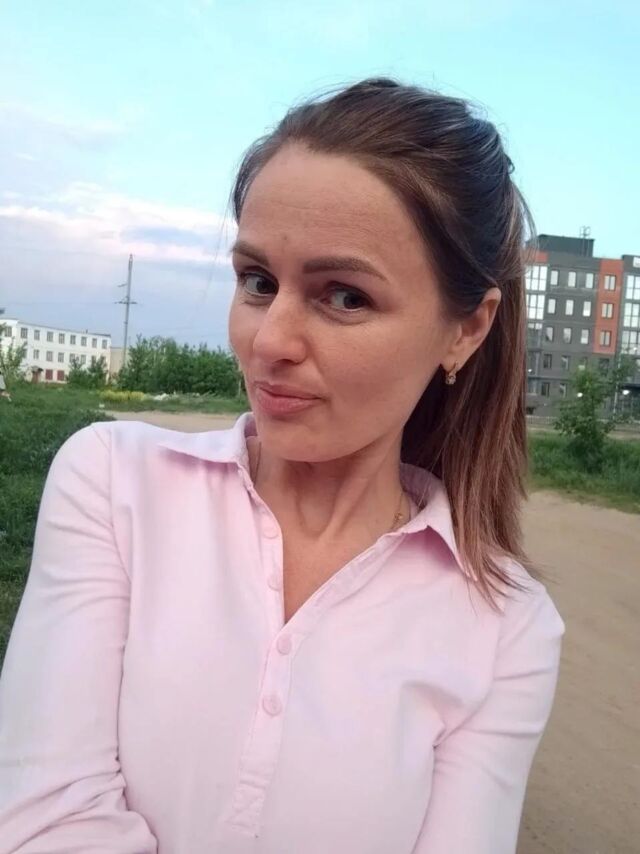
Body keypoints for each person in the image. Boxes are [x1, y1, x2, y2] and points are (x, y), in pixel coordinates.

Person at [0, 78, 564, 854]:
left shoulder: (506, 626)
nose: (269, 341)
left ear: (465, 329)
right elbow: (43, 816)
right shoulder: (112, 486)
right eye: (258, 282)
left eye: (345, 297)